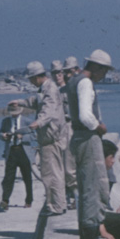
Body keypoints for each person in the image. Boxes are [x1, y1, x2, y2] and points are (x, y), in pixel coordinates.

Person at [65, 49, 115, 239]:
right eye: (103, 71)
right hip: (87, 137)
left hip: (78, 137)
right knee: (92, 187)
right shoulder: (85, 83)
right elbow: (86, 116)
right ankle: (90, 238)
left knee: (86, 186)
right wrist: (99, 127)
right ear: (96, 67)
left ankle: (88, 235)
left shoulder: (73, 81)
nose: (104, 76)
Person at [19, 61, 67, 216]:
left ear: (36, 77)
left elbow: (48, 111)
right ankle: (57, 204)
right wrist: (20, 102)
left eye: (31, 79)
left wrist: (37, 123)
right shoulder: (45, 89)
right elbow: (36, 102)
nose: (31, 82)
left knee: (51, 175)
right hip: (49, 139)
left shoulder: (50, 89)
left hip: (51, 139)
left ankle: (56, 206)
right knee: (52, 174)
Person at [51, 59, 78, 210]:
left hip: (69, 128)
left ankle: (75, 196)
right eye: (54, 73)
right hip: (57, 130)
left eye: (60, 73)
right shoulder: (54, 92)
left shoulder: (70, 89)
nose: (57, 76)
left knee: (70, 165)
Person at [0, 101, 35, 210]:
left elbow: (34, 136)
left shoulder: (28, 121)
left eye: (16, 112)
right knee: (8, 177)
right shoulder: (5, 121)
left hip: (23, 151)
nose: (14, 114)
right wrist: (3, 136)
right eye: (12, 112)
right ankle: (5, 200)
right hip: (11, 152)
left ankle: (29, 200)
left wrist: (22, 137)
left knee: (27, 177)